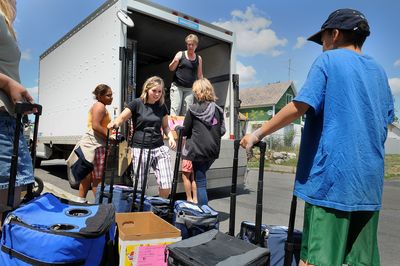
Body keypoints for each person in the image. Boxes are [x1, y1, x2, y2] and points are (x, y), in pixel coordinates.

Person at [241, 9, 394, 266]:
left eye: (322, 39)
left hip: (333, 179)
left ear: (334, 35)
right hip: (369, 182)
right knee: (361, 260)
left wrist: (256, 134)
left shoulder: (328, 62)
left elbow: (298, 106)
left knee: (316, 258)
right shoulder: (378, 71)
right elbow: (386, 120)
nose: (322, 46)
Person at [108, 76, 176, 198]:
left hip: (158, 147)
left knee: (166, 181)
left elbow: (165, 126)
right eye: (154, 91)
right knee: (140, 184)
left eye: (159, 91)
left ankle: (161, 207)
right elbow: (122, 118)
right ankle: (139, 207)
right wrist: (115, 123)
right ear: (147, 90)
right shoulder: (137, 103)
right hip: (140, 148)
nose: (157, 94)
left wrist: (170, 137)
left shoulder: (162, 106)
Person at [0, 0, 36, 210]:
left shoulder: (6, 25)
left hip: (10, 119)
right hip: (2, 121)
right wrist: (7, 83)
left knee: (10, 207)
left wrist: (16, 93)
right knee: (5, 209)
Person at [182, 78, 225, 206]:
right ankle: (202, 209)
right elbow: (222, 130)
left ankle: (204, 212)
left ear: (198, 92)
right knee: (201, 177)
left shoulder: (193, 109)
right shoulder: (218, 109)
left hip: (197, 150)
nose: (194, 94)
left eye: (195, 91)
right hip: (213, 150)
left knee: (200, 181)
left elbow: (185, 131)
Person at [75, 84, 113, 203]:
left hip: (93, 145)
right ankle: (100, 206)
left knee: (88, 175)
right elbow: (96, 126)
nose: (111, 97)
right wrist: (110, 137)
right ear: (99, 96)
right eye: (108, 95)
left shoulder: (100, 106)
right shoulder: (100, 106)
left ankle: (80, 200)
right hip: (97, 145)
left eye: (112, 95)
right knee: (98, 177)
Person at [169, 33, 203, 116]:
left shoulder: (198, 58)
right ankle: (172, 128)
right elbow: (171, 68)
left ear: (196, 45)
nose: (190, 46)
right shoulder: (180, 54)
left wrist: (202, 88)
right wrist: (175, 61)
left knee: (187, 112)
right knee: (175, 109)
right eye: (189, 44)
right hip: (177, 87)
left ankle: (185, 129)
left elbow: (199, 74)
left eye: (192, 45)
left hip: (189, 89)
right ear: (186, 44)